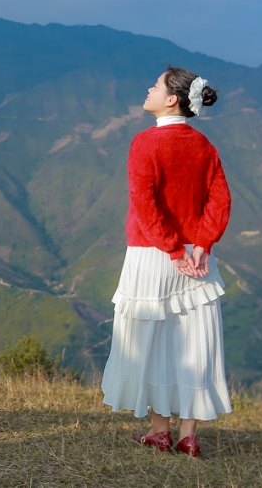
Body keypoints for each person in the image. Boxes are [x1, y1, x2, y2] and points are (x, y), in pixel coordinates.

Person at [100, 66, 232, 458]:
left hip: (153, 254)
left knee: (153, 344)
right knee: (194, 344)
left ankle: (160, 431)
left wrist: (173, 250)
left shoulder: (144, 143)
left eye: (155, 86)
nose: (148, 89)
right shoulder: (205, 145)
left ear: (171, 98)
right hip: (198, 258)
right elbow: (219, 199)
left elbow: (144, 205)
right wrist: (202, 245)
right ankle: (188, 436)